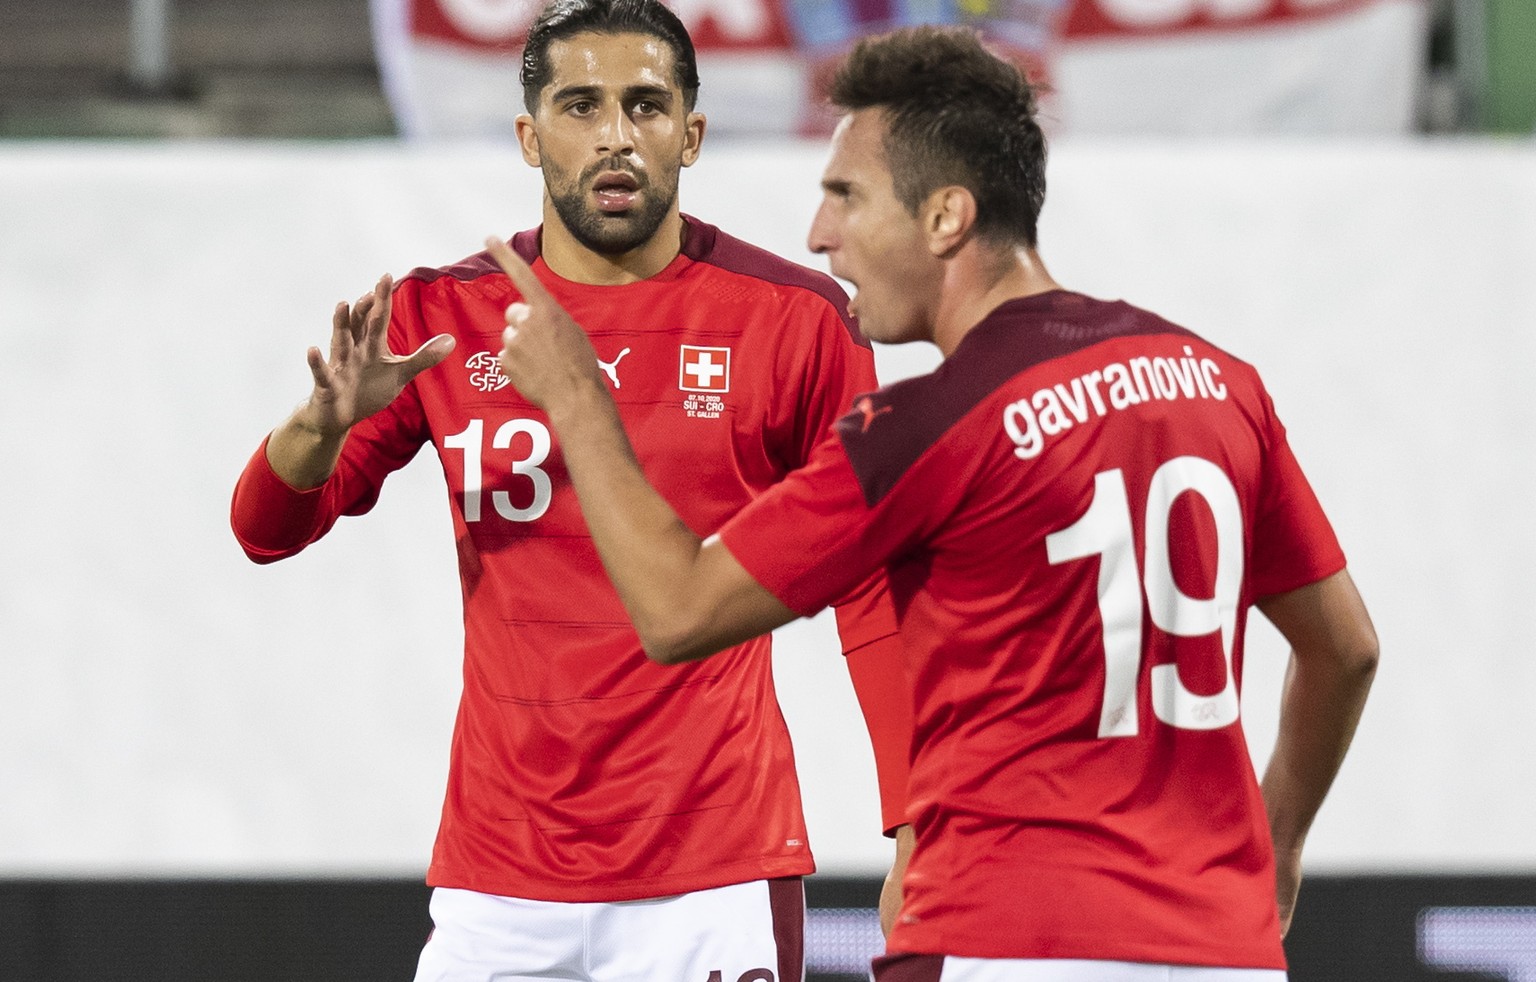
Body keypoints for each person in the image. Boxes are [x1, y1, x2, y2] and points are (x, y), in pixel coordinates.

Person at [488, 23, 1379, 982]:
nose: (819, 235)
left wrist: (579, 398)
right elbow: (1346, 648)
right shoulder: (1217, 383)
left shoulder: (927, 425)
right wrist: (1275, 850)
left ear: (946, 218)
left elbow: (676, 611)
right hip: (1226, 951)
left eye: (846, 197)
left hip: (1016, 939)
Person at [230, 1, 915, 979]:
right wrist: (317, 424)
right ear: (528, 135)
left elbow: (874, 592)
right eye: (581, 105)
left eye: (646, 105)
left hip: (714, 870)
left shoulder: (795, 322)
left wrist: (914, 824)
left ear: (692, 131)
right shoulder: (442, 315)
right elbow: (265, 529)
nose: (616, 137)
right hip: (497, 881)